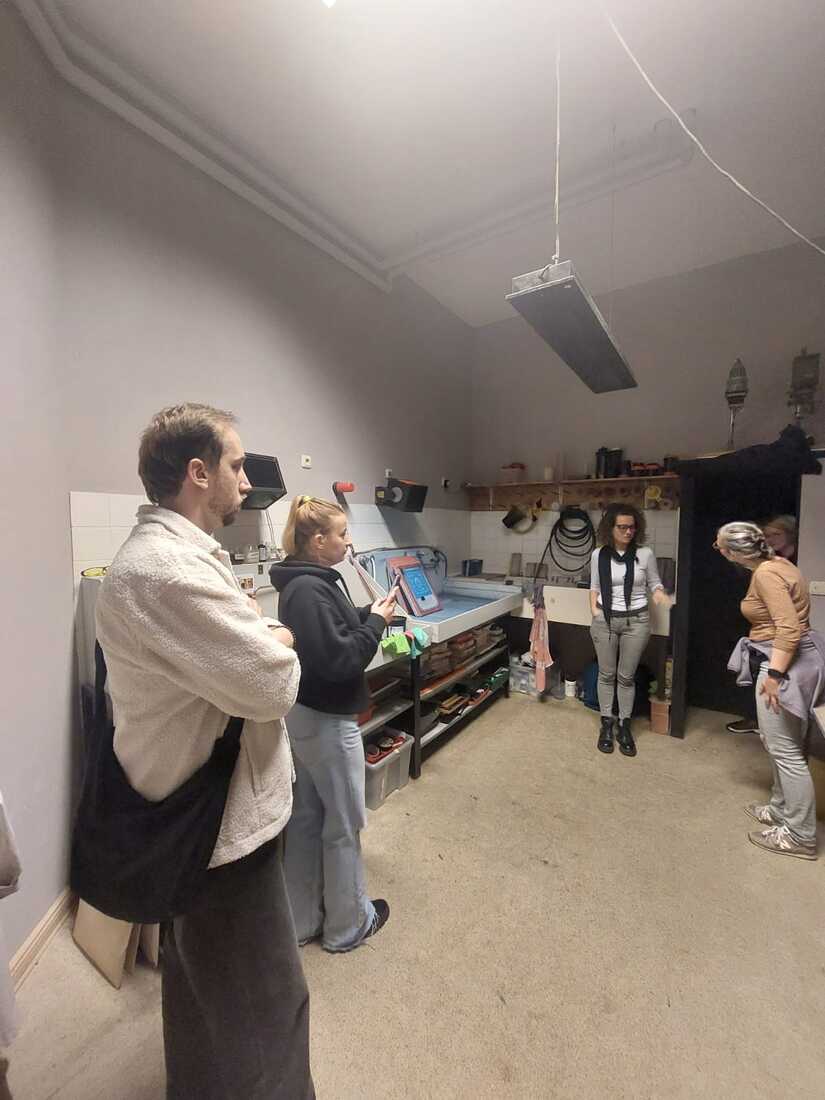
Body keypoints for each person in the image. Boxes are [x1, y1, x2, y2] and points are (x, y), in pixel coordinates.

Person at [95, 404, 314, 1099]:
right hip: (219, 835)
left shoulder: (181, 557)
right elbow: (273, 683)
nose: (246, 481)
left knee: (199, 993)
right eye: (236, 465)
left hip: (198, 826)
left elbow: (247, 649)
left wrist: (261, 638)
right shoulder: (164, 571)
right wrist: (276, 640)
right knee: (269, 1009)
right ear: (198, 472)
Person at [270, 496, 399, 952]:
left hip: (306, 715)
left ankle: (303, 921)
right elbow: (342, 660)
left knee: (307, 818)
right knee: (344, 824)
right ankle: (349, 927)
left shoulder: (309, 581)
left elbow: (331, 634)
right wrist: (377, 624)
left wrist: (367, 614)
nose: (348, 541)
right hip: (326, 722)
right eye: (342, 534)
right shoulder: (310, 590)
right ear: (318, 540)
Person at [716, 521, 825, 859]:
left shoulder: (766, 574)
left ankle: (800, 835)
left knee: (786, 751)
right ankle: (780, 810)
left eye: (720, 546)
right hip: (799, 658)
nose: (718, 550)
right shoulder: (779, 564)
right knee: (784, 744)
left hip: (784, 663)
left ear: (733, 553)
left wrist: (775, 676)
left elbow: (788, 628)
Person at [589, 503, 671, 757]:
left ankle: (624, 725)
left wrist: (660, 594)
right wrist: (595, 611)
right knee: (606, 674)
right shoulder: (599, 555)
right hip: (605, 620)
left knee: (626, 677)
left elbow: (654, 582)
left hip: (636, 621)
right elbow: (594, 586)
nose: (628, 532)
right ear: (610, 528)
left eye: (632, 527)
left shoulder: (644, 554)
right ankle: (606, 723)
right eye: (622, 527)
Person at [725, 514, 798, 734]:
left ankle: (769, 726)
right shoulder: (769, 563)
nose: (770, 539)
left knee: (780, 738)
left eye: (776, 534)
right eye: (767, 535)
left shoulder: (773, 569)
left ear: (791, 535)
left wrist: (774, 675)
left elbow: (789, 625)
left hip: (778, 646)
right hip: (765, 640)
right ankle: (757, 720)